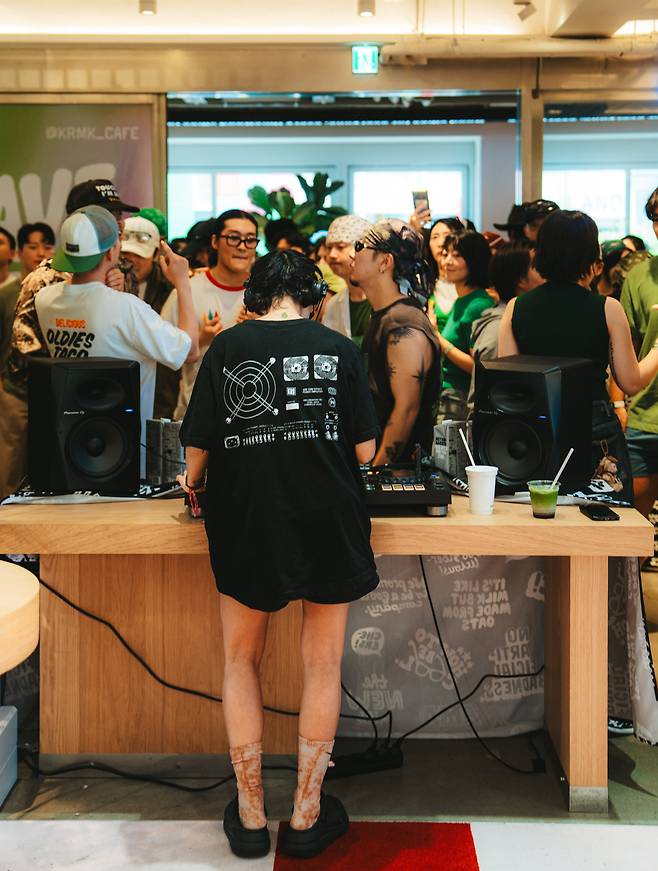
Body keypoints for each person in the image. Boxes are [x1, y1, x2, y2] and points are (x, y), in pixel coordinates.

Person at [176, 249, 379, 860]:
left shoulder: (227, 351)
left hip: (247, 519)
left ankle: (249, 815)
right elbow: (366, 453)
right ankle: (308, 814)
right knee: (321, 664)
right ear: (313, 299)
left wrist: (196, 483)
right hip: (328, 517)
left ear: (252, 298)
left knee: (241, 660)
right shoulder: (338, 348)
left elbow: (194, 461)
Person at [499, 209, 658, 506]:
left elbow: (509, 380)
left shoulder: (516, 308)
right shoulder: (607, 308)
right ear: (590, 256)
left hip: (536, 427)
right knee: (605, 521)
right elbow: (631, 381)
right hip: (593, 425)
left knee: (542, 517)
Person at [34, 206, 199, 478]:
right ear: (112, 252)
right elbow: (190, 351)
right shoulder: (126, 308)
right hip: (126, 453)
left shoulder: (45, 300)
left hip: (68, 447)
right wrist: (182, 282)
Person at [0, 178, 140, 499]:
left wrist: (114, 293)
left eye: (119, 215)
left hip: (94, 398)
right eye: (108, 214)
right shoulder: (46, 276)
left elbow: (124, 335)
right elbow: (25, 346)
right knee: (14, 482)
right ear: (78, 221)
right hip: (26, 394)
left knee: (82, 482)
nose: (118, 223)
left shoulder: (123, 271)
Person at [353, 220, 441, 463]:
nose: (354, 253)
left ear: (384, 261)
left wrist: (377, 470)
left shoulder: (402, 323)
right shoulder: (387, 316)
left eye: (360, 246)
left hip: (398, 480)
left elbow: (407, 409)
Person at [161, 209, 258, 420]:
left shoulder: (266, 294)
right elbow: (163, 355)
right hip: (196, 416)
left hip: (252, 415)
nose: (242, 246)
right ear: (215, 242)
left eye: (250, 240)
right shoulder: (187, 291)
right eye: (233, 238)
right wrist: (199, 339)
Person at [619, 186, 658, 529]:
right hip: (644, 413)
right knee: (635, 523)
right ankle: (631, 586)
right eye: (657, 218)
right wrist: (619, 406)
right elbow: (624, 345)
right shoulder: (639, 276)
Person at [467, 240, 542, 409]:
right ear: (521, 280)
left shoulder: (516, 319)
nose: (547, 273)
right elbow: (490, 397)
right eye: (538, 267)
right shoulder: (498, 328)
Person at [121, 215, 180, 418]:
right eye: (125, 253)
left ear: (156, 254)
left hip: (160, 387)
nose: (130, 260)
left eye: (139, 254)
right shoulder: (107, 285)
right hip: (118, 381)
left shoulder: (169, 288)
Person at [435, 230, 493, 421]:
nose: (447, 262)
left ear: (474, 261)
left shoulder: (478, 305)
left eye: (457, 256)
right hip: (448, 393)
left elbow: (477, 366)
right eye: (446, 254)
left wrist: (438, 338)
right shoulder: (462, 301)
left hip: (459, 396)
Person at [322, 214, 372, 347]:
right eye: (329, 248)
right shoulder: (333, 304)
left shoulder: (382, 299)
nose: (332, 255)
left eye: (340, 247)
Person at [425, 216, 465, 333]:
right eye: (435, 237)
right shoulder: (424, 285)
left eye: (447, 236)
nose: (441, 243)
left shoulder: (471, 287)